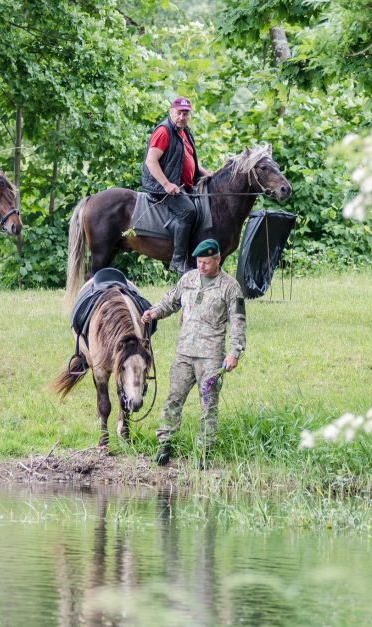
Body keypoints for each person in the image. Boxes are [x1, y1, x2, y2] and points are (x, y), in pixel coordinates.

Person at [141, 238, 246, 467]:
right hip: (184, 353)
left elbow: (238, 322)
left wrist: (234, 353)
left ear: (218, 260)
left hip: (211, 356)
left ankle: (205, 451)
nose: (201, 266)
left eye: (206, 262)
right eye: (198, 262)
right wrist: (154, 313)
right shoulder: (188, 279)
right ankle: (165, 444)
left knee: (208, 404)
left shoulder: (230, 287)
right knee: (173, 398)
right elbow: (170, 302)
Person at [141, 96, 212, 275]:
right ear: (171, 112)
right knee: (188, 211)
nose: (182, 117)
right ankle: (178, 261)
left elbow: (189, 161)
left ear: (189, 115)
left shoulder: (185, 132)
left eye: (185, 113)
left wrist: (210, 175)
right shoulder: (164, 131)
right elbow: (151, 161)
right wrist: (166, 184)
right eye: (179, 113)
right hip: (160, 186)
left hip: (183, 185)